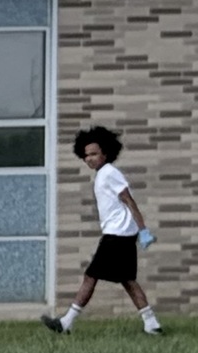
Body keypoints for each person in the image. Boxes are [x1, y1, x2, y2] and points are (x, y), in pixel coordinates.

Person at [42, 126, 163, 336]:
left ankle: (66, 323)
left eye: (94, 154)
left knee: (91, 276)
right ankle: (151, 323)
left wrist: (143, 230)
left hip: (116, 235)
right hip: (122, 234)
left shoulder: (109, 173)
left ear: (105, 153)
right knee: (128, 280)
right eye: (86, 155)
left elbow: (129, 200)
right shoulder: (103, 174)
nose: (89, 159)